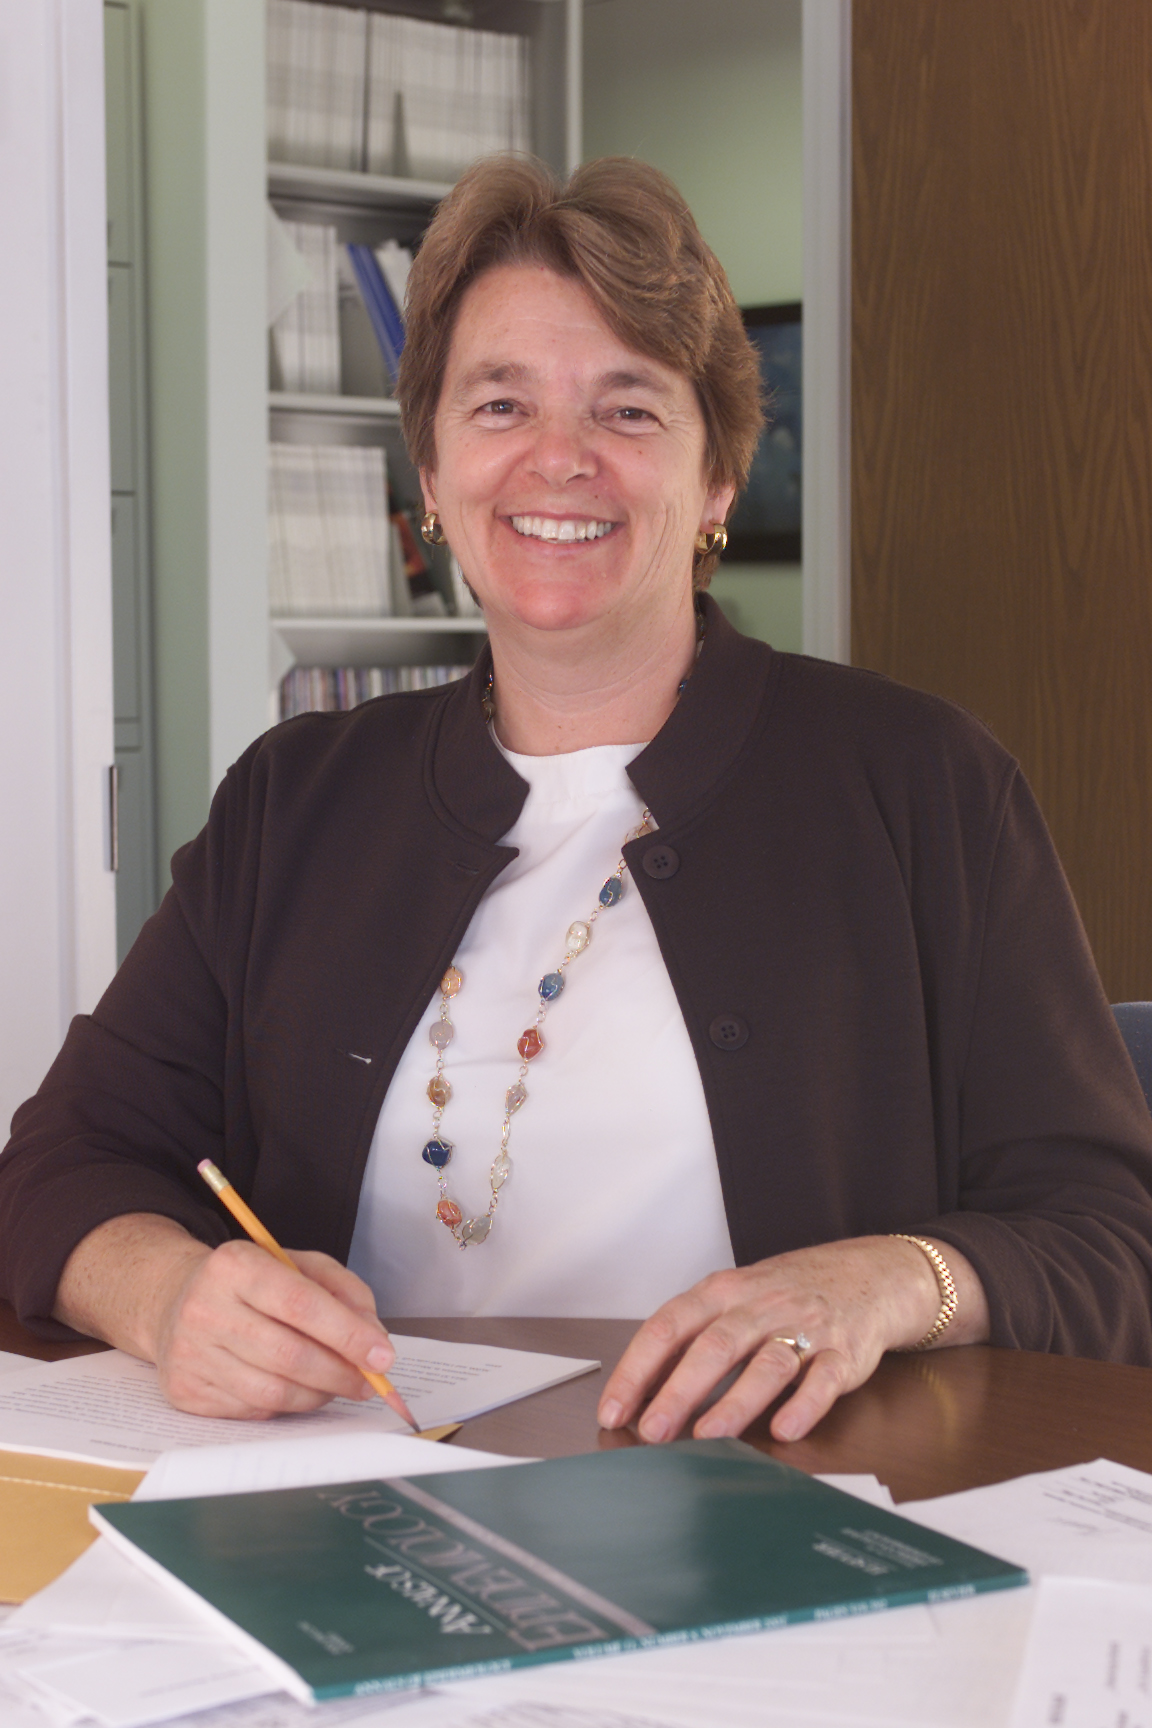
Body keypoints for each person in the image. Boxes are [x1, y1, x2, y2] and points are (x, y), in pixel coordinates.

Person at [3, 157, 1152, 1449]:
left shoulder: (923, 782)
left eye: (628, 408)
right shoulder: (295, 800)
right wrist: (171, 1299)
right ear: (432, 471)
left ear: (716, 481)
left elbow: (1111, 1239)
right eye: (501, 405)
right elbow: (60, 1165)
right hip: (359, 1506)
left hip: (784, 1509)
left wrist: (890, 1281)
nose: (559, 459)